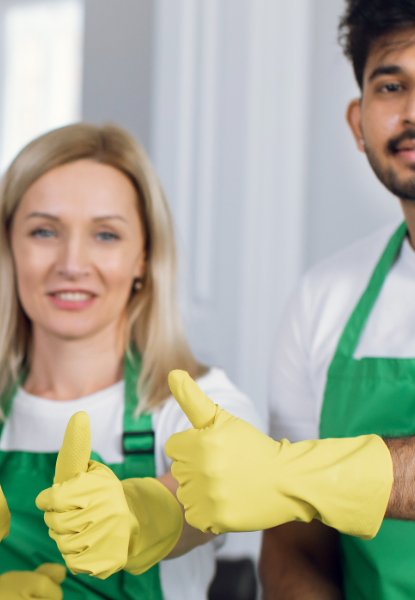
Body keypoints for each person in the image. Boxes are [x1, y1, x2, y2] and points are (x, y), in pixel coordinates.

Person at [0, 123, 263, 600]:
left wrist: (138, 517)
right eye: (44, 231)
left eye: (106, 235)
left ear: (143, 258)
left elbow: (220, 489)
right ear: (9, 246)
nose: (72, 262)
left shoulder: (196, 405)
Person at [160, 1, 415, 598]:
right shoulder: (324, 298)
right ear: (357, 122)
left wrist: (296, 474)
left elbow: (292, 484)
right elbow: (294, 537)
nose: (411, 112)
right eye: (391, 84)